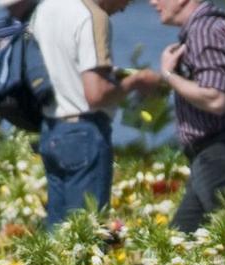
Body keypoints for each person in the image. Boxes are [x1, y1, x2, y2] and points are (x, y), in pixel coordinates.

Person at [23, 0, 153, 224]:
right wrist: (136, 81)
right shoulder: (93, 16)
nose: (124, 8)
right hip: (84, 132)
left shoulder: (44, 8)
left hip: (51, 129)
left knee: (58, 230)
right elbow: (95, 94)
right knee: (87, 230)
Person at [152, 0, 225, 229]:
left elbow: (215, 98)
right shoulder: (209, 27)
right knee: (180, 239)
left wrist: (169, 75)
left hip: (221, 154)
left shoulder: (205, 31)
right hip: (214, 154)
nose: (153, 2)